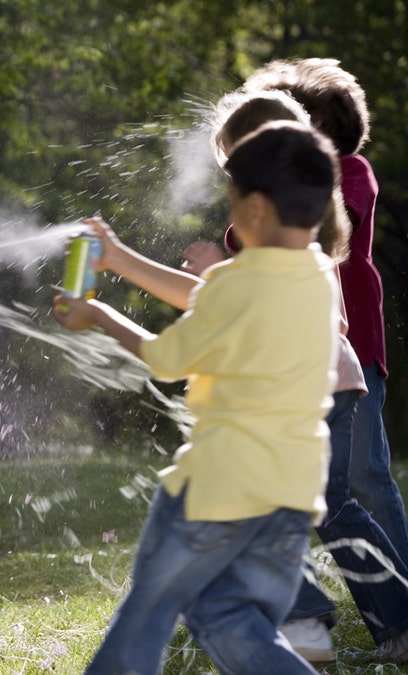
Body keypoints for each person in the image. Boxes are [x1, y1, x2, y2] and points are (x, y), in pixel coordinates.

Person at [53, 120, 340, 674]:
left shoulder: (234, 283)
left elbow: (167, 360)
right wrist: (118, 256)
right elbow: (224, 298)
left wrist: (100, 315)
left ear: (255, 208)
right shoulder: (319, 276)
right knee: (226, 616)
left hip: (216, 487)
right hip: (290, 495)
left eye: (231, 200)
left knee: (146, 616)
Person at [196, 89, 408, 664]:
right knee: (326, 497)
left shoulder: (310, 198)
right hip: (314, 375)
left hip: (326, 374)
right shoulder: (284, 204)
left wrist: (216, 274)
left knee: (320, 494)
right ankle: (358, 620)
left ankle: (313, 621)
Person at [241, 59, 407, 571]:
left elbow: (333, 225)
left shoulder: (352, 174)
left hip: (349, 349)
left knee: (365, 474)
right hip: (292, 352)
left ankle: (401, 580)